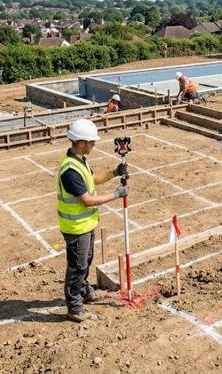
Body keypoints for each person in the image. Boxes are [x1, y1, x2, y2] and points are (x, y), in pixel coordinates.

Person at [58, 119, 129, 323]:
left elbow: (93, 179)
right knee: (77, 266)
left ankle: (84, 291)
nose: (93, 145)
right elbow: (87, 200)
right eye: (91, 142)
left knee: (86, 261)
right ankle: (74, 307)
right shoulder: (70, 170)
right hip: (75, 227)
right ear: (80, 142)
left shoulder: (80, 161)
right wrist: (116, 194)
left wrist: (114, 173)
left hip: (86, 225)